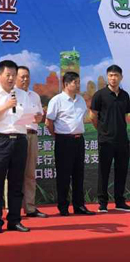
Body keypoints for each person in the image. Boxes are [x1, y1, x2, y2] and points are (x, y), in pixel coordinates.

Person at [0, 60, 30, 234]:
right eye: (8, 75)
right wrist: (6, 106)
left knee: (17, 183)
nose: (11, 78)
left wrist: (34, 118)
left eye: (14, 75)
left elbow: (28, 118)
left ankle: (14, 220)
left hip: (19, 140)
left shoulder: (22, 95)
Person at [46, 71, 94, 216]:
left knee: (79, 174)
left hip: (79, 140)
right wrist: (58, 136)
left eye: (79, 82)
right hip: (63, 141)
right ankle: (63, 206)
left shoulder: (80, 100)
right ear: (66, 84)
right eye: (75, 82)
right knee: (64, 175)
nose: (78, 85)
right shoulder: (57, 100)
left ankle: (79, 206)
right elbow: (48, 122)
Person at [90, 64, 130, 212]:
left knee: (121, 171)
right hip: (106, 140)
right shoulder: (100, 95)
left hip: (122, 140)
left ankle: (120, 201)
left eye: (116, 75)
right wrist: (102, 131)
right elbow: (93, 116)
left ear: (121, 77)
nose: (113, 78)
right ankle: (103, 203)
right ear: (107, 77)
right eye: (111, 75)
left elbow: (126, 116)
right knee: (104, 171)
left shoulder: (125, 95)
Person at [15, 66, 47, 218]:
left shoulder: (35, 96)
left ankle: (30, 208)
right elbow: (11, 118)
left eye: (27, 76)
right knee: (14, 173)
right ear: (15, 77)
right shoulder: (11, 94)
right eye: (22, 76)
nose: (25, 79)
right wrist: (29, 118)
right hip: (17, 135)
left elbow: (39, 115)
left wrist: (39, 118)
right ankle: (12, 209)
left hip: (32, 136)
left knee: (30, 173)